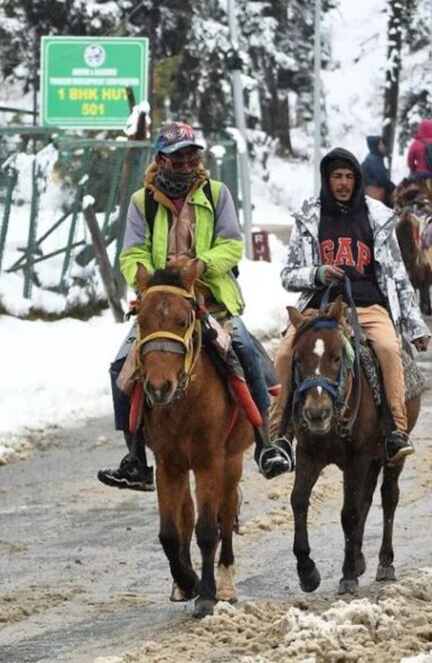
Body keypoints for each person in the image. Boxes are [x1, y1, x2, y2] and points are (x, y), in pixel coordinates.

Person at [98, 122, 293, 491]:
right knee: (120, 368)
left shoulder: (216, 194)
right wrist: (147, 278)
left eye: (191, 156)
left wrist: (200, 264)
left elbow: (232, 245)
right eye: (177, 158)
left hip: (210, 300)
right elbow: (131, 252)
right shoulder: (142, 202)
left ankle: (265, 446)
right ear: (161, 161)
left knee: (246, 353)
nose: (186, 164)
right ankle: (136, 458)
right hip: (160, 303)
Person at [270, 147, 431, 464]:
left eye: (348, 177)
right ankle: (279, 437)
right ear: (326, 180)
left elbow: (398, 276)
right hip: (319, 309)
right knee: (285, 352)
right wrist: (317, 273)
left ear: (357, 180)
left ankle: (396, 432)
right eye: (336, 177)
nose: (343, 183)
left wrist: (415, 327)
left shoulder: (378, 218)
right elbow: (288, 275)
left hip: (369, 306)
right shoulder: (310, 218)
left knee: (387, 349)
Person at [361, 135, 395, 206]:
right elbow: (381, 179)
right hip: (375, 194)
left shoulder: (375, 158)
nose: (383, 146)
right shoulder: (374, 160)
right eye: (380, 144)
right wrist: (392, 186)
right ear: (375, 146)